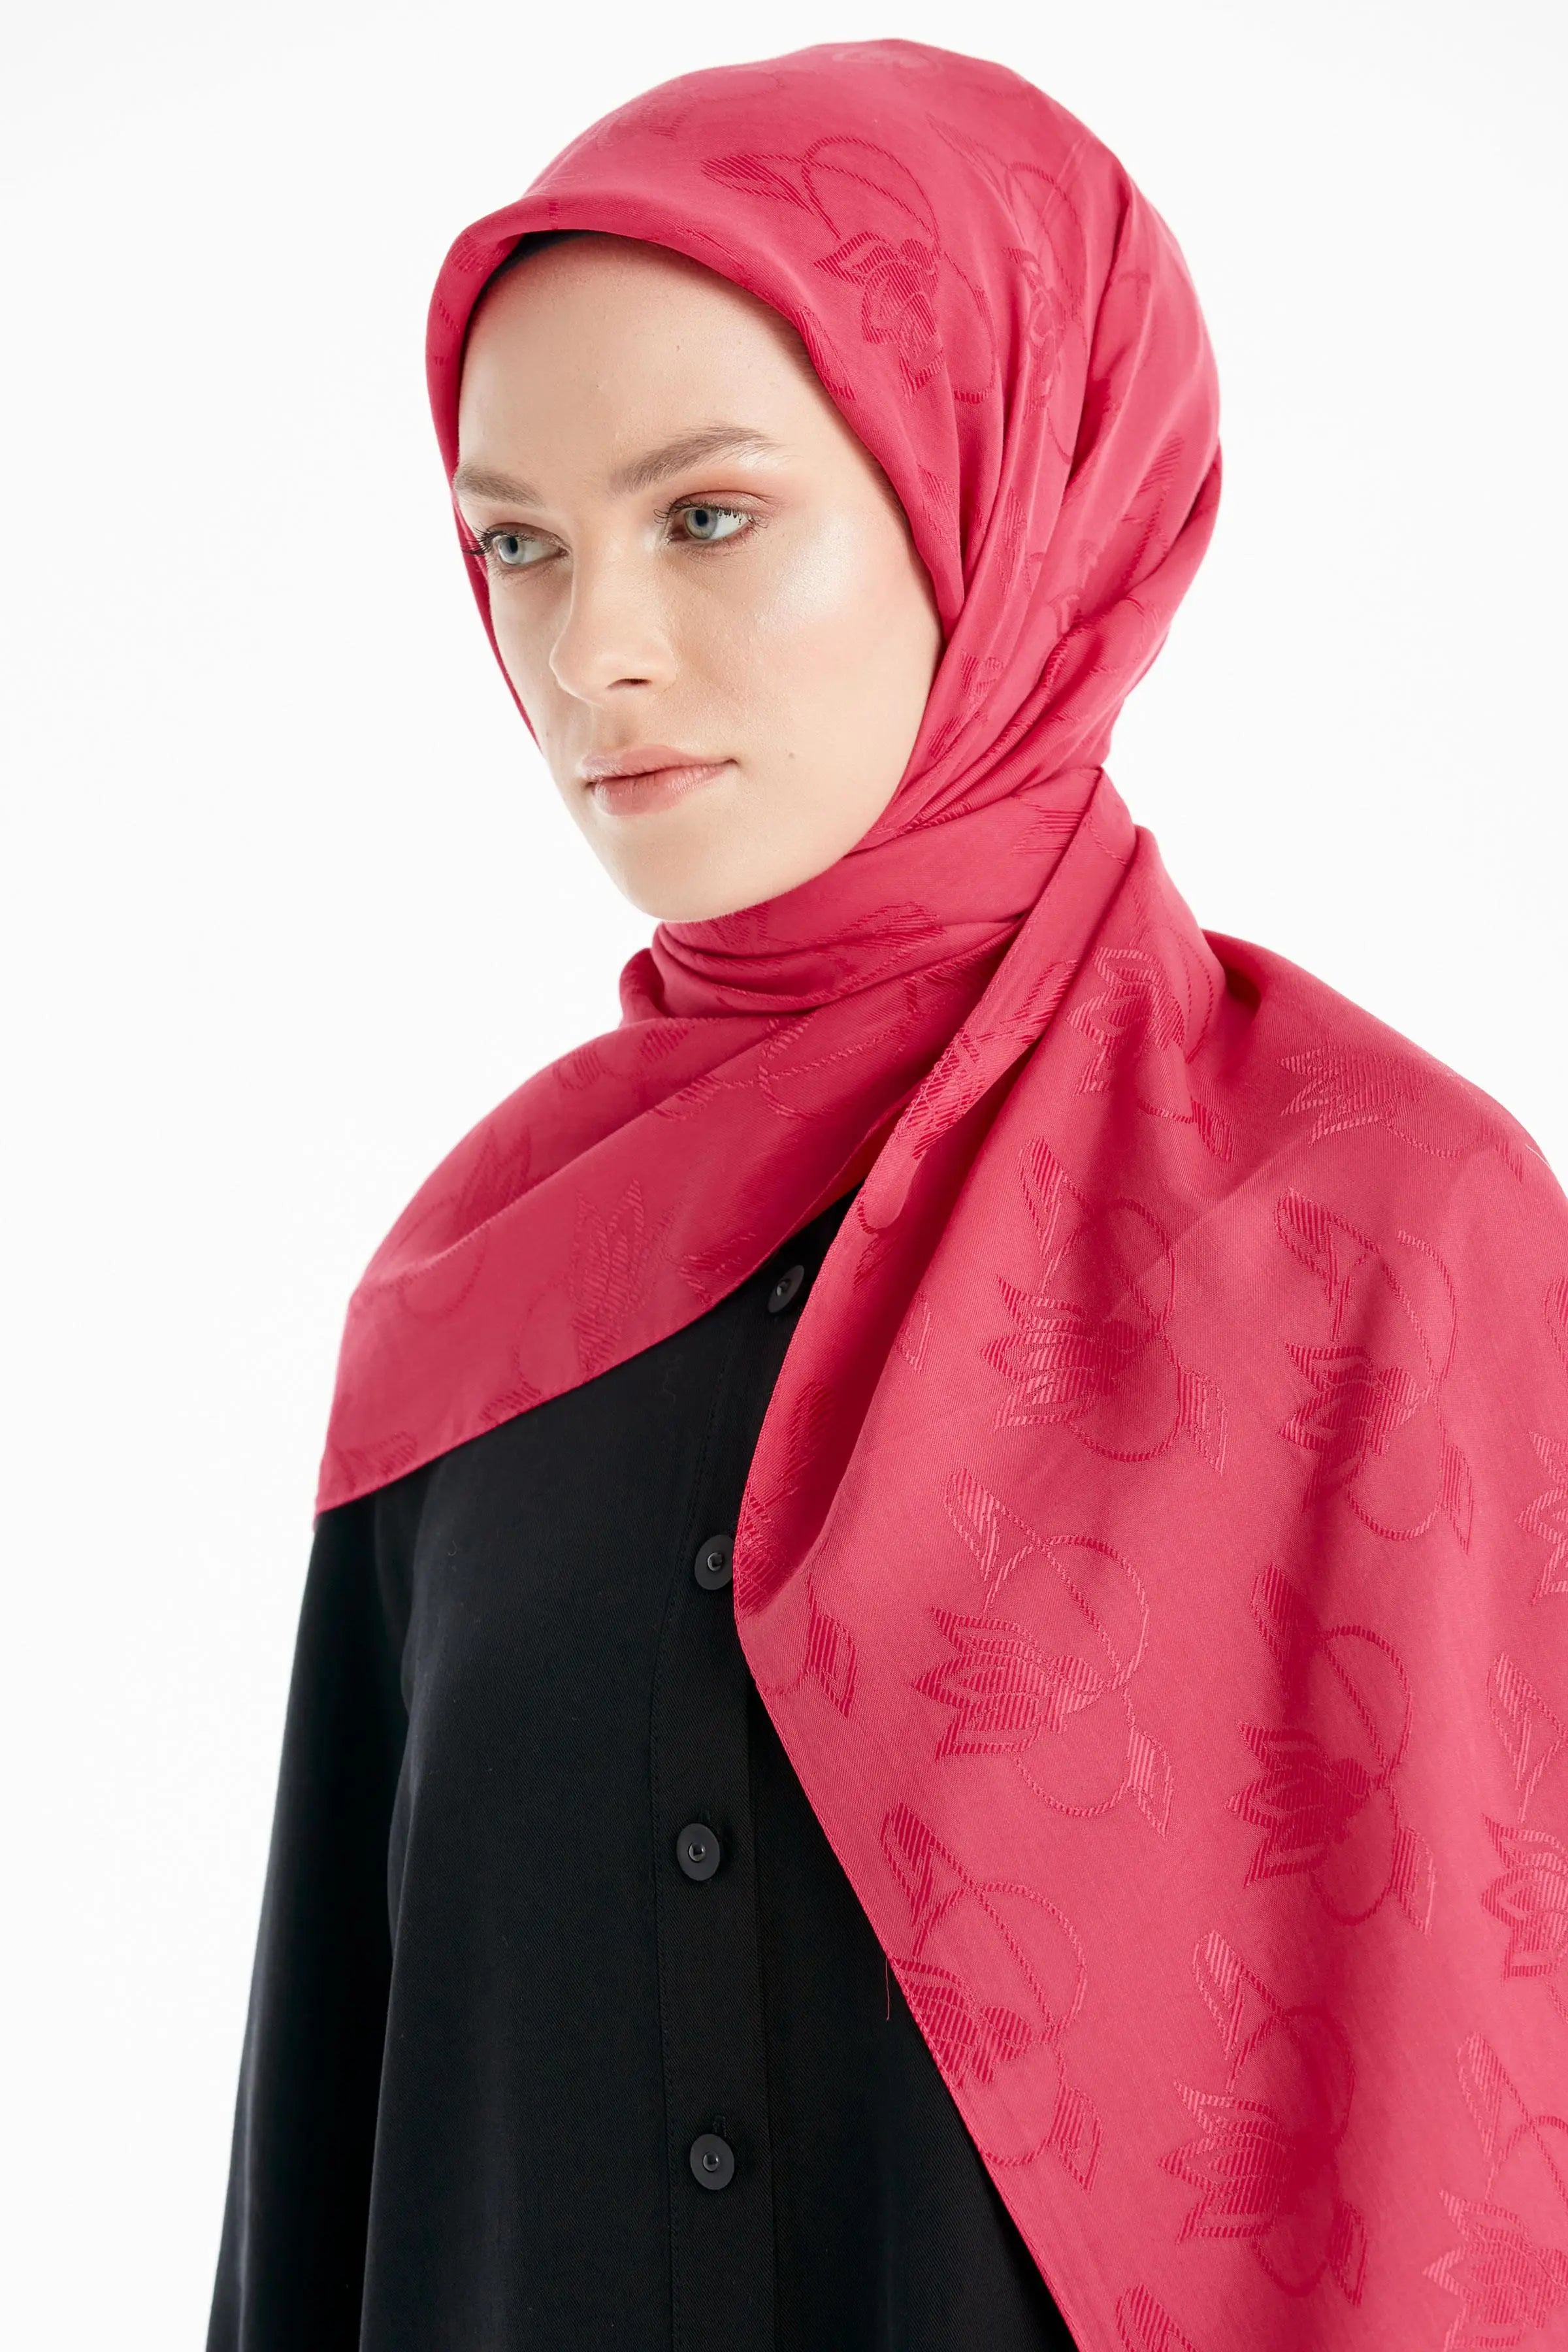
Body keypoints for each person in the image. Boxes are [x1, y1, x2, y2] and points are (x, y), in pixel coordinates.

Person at [208, 41, 1568, 2352]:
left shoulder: (1380, 1239)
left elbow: (1485, 2121)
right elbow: (331, 2174)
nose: (590, 653)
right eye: (519, 543)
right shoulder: (470, 1304)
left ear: (1003, 497)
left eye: (707, 517)